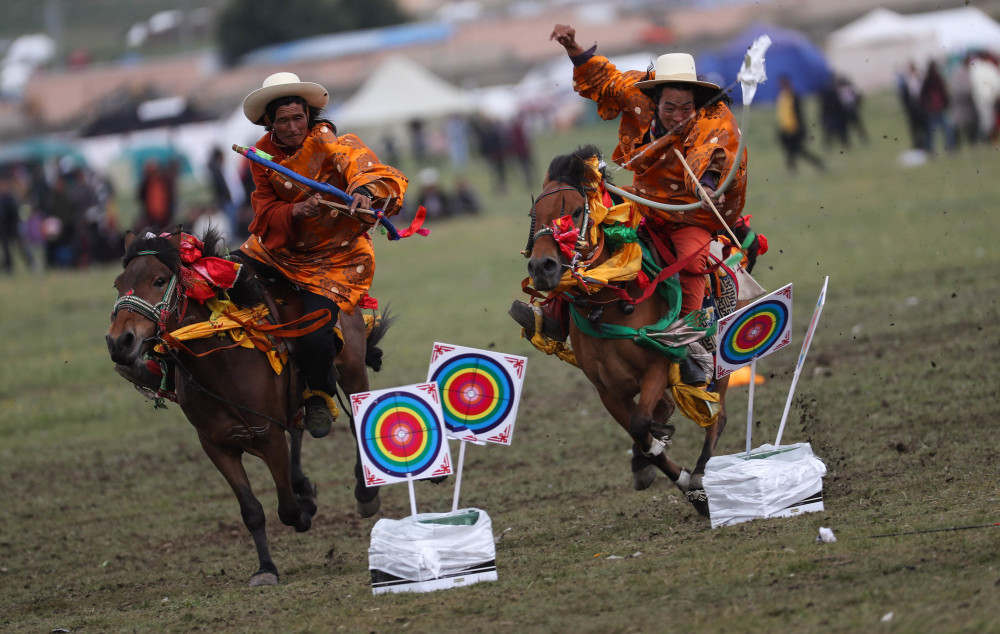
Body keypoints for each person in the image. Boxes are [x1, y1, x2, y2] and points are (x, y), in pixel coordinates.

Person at [511, 24, 749, 383]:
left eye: (687, 107)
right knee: (587, 230)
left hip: (690, 210)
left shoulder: (713, 119)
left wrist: (705, 184)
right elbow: (603, 78)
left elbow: (711, 153)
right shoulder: (637, 95)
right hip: (641, 198)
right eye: (670, 107)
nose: (679, 115)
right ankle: (556, 312)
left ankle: (692, 339)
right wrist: (574, 48)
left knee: (693, 257)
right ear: (656, 100)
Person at [239, 72, 408, 438]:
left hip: (336, 259)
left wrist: (363, 190)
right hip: (280, 253)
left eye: (298, 118)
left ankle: (317, 395)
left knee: (315, 334)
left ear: (309, 117)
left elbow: (356, 162)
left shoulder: (328, 140)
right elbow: (263, 212)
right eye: (282, 120)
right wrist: (295, 213)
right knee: (223, 275)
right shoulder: (260, 156)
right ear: (270, 122)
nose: (291, 127)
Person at [775, 75, 825, 173]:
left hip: (794, 129)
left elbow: (800, 115)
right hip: (785, 129)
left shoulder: (794, 97)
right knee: (790, 151)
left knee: (798, 151)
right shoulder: (782, 97)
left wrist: (802, 130)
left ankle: (817, 162)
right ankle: (792, 170)